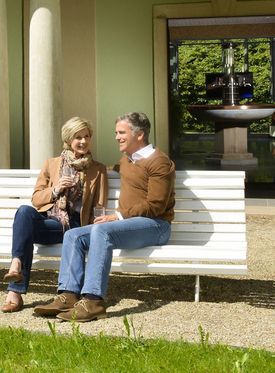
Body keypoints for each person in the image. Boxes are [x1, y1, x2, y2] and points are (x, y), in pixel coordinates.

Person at [33, 111, 175, 322]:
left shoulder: (159, 163)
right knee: (74, 235)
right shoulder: (128, 159)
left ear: (139, 135)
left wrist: (118, 216)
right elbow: (107, 170)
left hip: (156, 225)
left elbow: (156, 205)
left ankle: (93, 301)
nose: (117, 137)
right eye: (116, 132)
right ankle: (68, 295)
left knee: (101, 229)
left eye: (121, 132)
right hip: (130, 224)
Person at [1, 116, 107, 313]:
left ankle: (14, 292)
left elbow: (99, 205)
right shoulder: (52, 164)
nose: (84, 141)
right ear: (68, 140)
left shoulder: (98, 169)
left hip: (75, 227)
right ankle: (16, 265)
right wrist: (56, 190)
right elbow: (36, 199)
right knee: (24, 211)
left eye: (86, 136)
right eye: (78, 137)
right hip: (51, 221)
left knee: (33, 232)